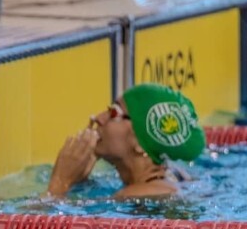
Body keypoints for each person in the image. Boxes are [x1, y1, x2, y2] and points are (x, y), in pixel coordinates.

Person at [47, 83, 206, 199]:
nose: (98, 118)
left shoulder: (134, 195)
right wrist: (79, 181)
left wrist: (60, 182)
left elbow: (46, 223)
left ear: (140, 143)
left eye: (113, 113)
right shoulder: (176, 175)